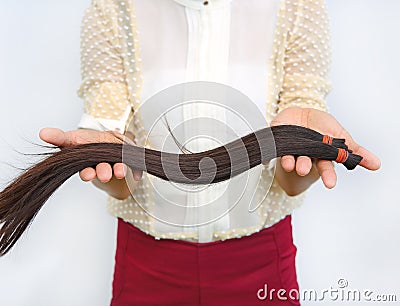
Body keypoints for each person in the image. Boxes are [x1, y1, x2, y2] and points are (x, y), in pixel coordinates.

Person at [40, 0, 380, 305]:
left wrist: (303, 149)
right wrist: (108, 159)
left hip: (262, 267)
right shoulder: (114, 10)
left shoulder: (297, 7)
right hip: (146, 266)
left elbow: (289, 182)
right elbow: (121, 181)